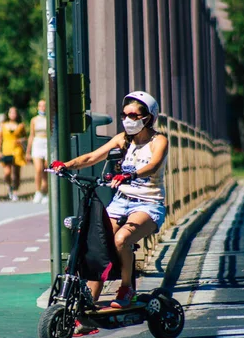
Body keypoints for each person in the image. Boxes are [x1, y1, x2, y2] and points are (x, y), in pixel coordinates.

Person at [51, 90, 168, 318]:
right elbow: (91, 158)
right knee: (97, 244)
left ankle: (127, 289)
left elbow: (153, 165)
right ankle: (86, 306)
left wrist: (131, 175)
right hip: (120, 202)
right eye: (125, 115)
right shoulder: (122, 139)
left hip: (148, 204)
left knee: (121, 239)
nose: (128, 120)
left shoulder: (158, 140)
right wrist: (64, 165)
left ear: (149, 118)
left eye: (134, 116)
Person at [0, 106, 27, 201]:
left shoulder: (21, 125)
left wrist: (20, 140)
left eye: (14, 113)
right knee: (7, 173)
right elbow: (0, 138)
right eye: (11, 113)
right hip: (7, 149)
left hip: (17, 149)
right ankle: (10, 187)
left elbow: (25, 137)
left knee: (16, 173)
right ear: (8, 114)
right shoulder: (3, 125)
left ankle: (15, 192)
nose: (13, 115)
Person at [27, 99, 49, 204]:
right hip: (37, 143)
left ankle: (45, 191)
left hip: (47, 142)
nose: (42, 108)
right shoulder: (34, 120)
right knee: (38, 169)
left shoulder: (49, 119)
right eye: (40, 106)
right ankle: (38, 191)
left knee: (46, 169)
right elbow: (31, 135)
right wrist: (28, 151)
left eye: (44, 106)